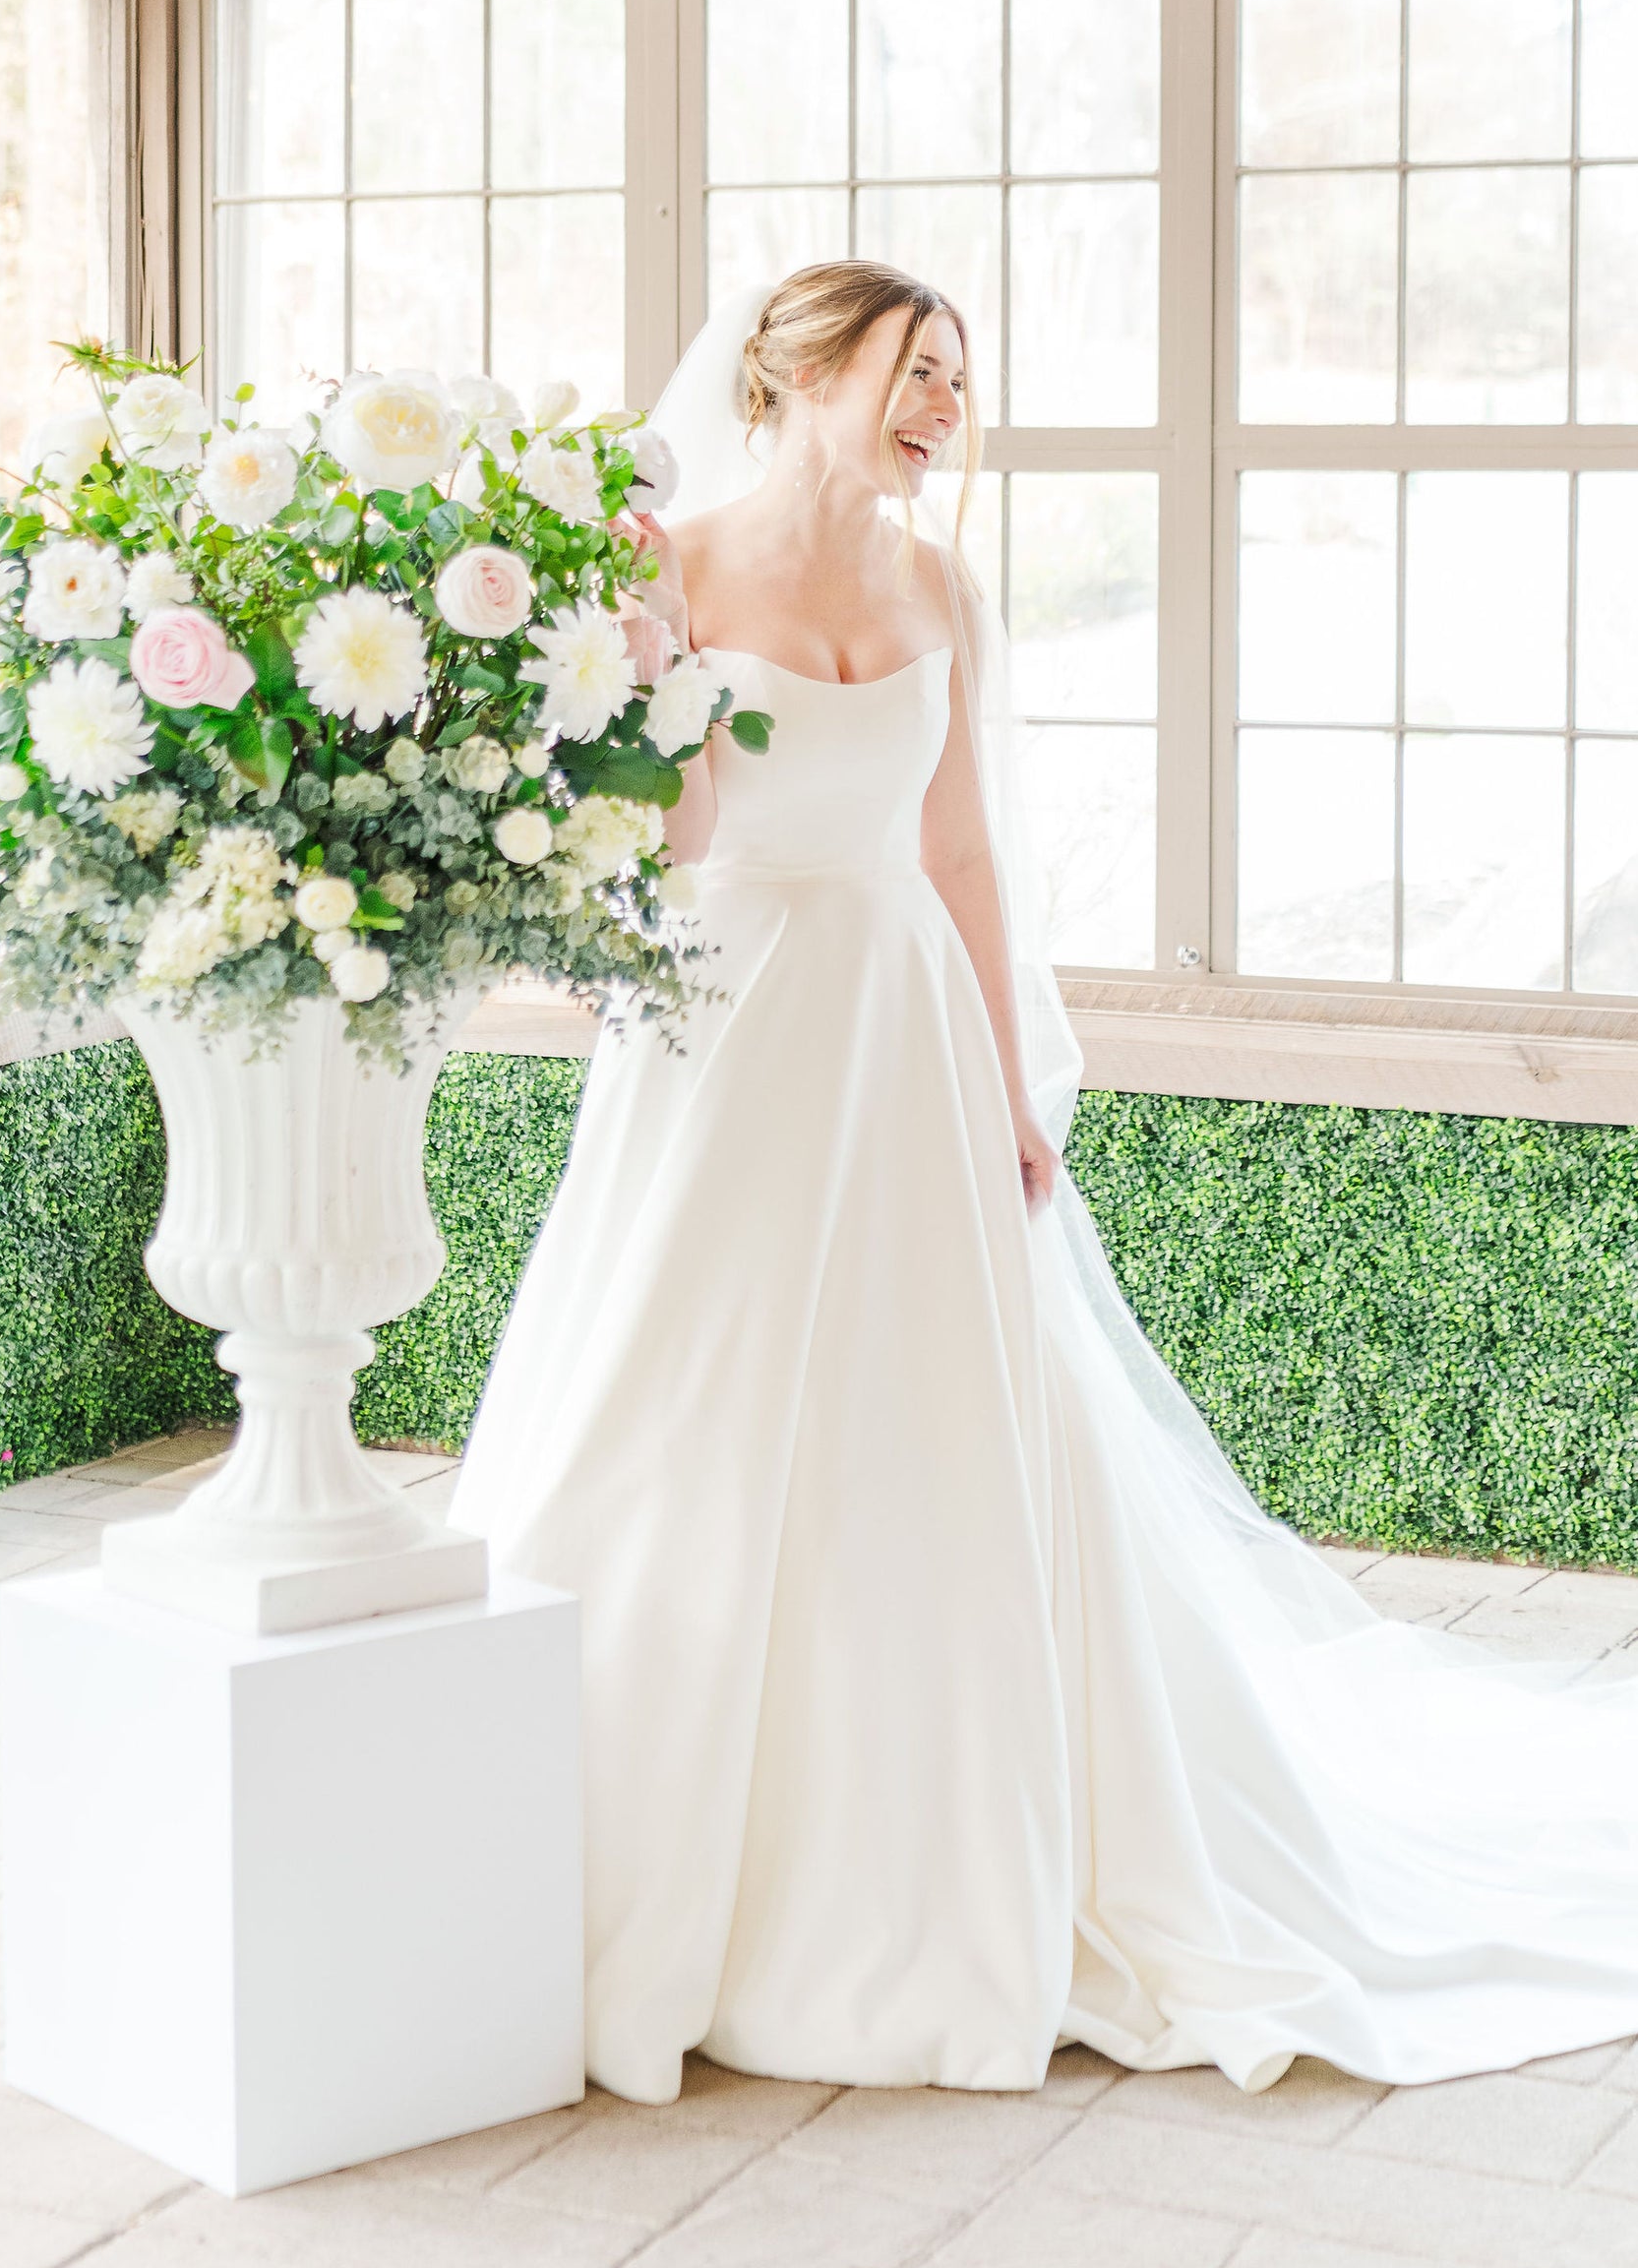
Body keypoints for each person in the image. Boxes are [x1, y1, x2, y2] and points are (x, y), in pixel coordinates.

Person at [452, 259, 1638, 2108]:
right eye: (914, 369)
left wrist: (1010, 1081)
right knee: (686, 1401)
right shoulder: (667, 561)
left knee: (925, 1424)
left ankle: (940, 1847)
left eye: (957, 377)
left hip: (903, 1025)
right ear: (803, 370)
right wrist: (646, 686)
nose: (943, 404)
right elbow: (667, 847)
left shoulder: (941, 585)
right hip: (727, 1024)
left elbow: (960, 849)